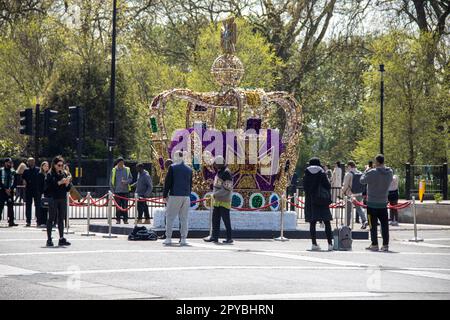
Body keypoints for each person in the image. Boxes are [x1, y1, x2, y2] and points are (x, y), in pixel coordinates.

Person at [360, 154, 393, 252]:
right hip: (383, 202)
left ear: (377, 162)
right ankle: (385, 245)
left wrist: (366, 171)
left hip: (372, 203)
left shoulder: (371, 172)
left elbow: (362, 180)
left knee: (372, 225)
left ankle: (374, 244)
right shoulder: (389, 172)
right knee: (384, 225)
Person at [162, 151, 193, 246]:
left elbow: (168, 182)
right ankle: (183, 238)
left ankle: (168, 238)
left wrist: (164, 195)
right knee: (184, 218)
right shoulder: (189, 169)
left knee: (170, 217)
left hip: (175, 195)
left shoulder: (172, 167)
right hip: (186, 196)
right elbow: (190, 184)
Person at [303, 157, 333, 251]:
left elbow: (305, 188)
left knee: (312, 222)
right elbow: (328, 186)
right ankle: (330, 244)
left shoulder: (306, 173)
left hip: (311, 200)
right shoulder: (322, 173)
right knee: (327, 222)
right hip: (322, 200)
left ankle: (314, 244)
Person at [204, 156, 234, 244]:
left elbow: (227, 188)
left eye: (215, 164)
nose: (214, 165)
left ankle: (229, 238)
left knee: (226, 220)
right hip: (217, 200)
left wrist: (214, 194)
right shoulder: (220, 172)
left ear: (219, 164)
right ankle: (214, 236)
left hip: (224, 201)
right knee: (215, 219)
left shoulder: (226, 172)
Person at [45, 156, 72, 247]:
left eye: (62, 165)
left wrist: (67, 183)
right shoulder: (50, 174)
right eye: (59, 165)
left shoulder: (64, 173)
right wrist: (59, 183)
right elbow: (49, 187)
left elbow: (68, 188)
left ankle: (61, 238)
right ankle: (49, 239)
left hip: (62, 198)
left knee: (61, 219)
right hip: (53, 198)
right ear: (54, 165)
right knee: (51, 218)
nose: (60, 167)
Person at [342, 161, 368, 229]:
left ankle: (347, 225)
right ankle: (364, 221)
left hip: (350, 194)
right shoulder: (360, 173)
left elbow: (345, 185)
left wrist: (342, 191)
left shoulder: (348, 174)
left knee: (348, 210)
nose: (347, 168)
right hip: (359, 193)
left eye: (347, 167)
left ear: (350, 166)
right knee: (359, 208)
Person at [110, 157, 133, 224]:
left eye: (123, 163)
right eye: (120, 163)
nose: (122, 164)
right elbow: (111, 181)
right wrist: (113, 191)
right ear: (117, 163)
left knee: (125, 206)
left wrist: (126, 182)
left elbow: (131, 179)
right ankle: (118, 219)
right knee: (118, 206)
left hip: (125, 191)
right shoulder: (114, 170)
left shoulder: (127, 169)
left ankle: (125, 220)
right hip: (117, 191)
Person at [22, 157, 41, 227]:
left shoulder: (38, 170)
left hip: (37, 190)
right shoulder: (26, 170)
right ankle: (28, 221)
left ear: (34, 162)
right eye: (29, 161)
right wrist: (24, 183)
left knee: (38, 206)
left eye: (32, 161)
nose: (31, 163)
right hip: (28, 190)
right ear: (27, 162)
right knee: (28, 206)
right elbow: (23, 179)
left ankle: (38, 221)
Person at [0, 158, 17, 227]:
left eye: (11, 162)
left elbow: (15, 181)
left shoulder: (13, 171)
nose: (10, 164)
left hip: (10, 192)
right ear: (5, 163)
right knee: (0, 206)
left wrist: (11, 189)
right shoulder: (1, 170)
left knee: (10, 206)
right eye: (9, 162)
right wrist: (5, 189)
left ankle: (11, 221)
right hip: (2, 191)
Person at [38, 161, 50, 227]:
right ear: (42, 166)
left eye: (47, 166)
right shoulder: (40, 174)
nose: (46, 167)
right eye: (45, 166)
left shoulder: (48, 174)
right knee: (42, 208)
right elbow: (39, 185)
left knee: (48, 208)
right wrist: (41, 193)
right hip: (42, 193)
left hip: (48, 193)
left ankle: (47, 221)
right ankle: (41, 222)